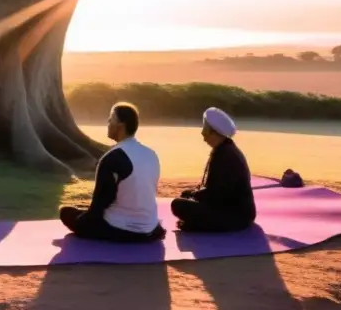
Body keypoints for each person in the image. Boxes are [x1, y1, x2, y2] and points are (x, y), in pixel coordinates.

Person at [59, 102, 166, 243]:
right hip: (150, 228)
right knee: (85, 210)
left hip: (121, 229)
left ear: (120, 125)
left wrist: (81, 221)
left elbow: (99, 205)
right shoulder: (151, 154)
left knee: (66, 212)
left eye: (110, 119)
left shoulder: (112, 158)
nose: (108, 123)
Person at [170, 107, 257, 233]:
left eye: (205, 129)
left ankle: (199, 225)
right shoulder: (225, 149)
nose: (202, 133)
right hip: (235, 211)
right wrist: (194, 194)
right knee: (186, 195)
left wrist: (196, 195)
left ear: (214, 132)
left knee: (178, 204)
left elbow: (216, 194)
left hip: (236, 217)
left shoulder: (225, 155)